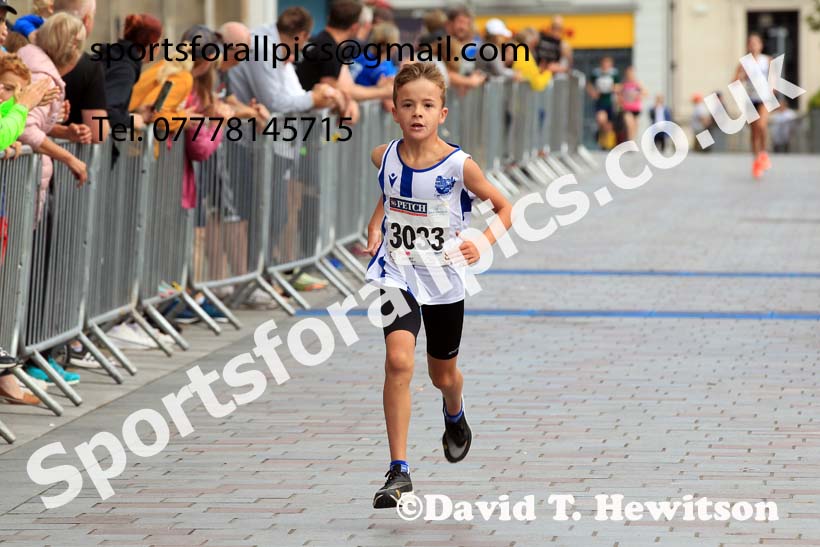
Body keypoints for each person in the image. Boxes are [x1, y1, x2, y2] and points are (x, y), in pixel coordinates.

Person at [364, 62, 512, 508]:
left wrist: (481, 243)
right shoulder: (383, 154)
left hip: (444, 279)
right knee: (397, 362)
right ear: (394, 111)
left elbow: (506, 208)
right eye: (408, 104)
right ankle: (398, 469)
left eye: (427, 105)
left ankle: (455, 410)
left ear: (442, 113)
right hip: (396, 272)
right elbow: (389, 194)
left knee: (441, 374)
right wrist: (376, 224)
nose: (417, 113)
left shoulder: (459, 165)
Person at [17, 12, 89, 219]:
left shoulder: (31, 60)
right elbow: (24, 127)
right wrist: (69, 158)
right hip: (20, 191)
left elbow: (26, 121)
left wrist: (66, 133)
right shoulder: (44, 79)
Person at [295, 0, 393, 120]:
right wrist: (384, 92)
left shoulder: (328, 44)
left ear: (329, 18)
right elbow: (336, 91)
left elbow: (347, 88)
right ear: (355, 27)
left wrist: (379, 90)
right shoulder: (330, 50)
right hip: (304, 122)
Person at [54, 0, 109, 143]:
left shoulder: (28, 50)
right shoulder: (90, 67)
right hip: (69, 160)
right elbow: (98, 133)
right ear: (86, 19)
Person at [98, 13, 162, 131]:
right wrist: (131, 120)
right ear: (152, 46)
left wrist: (135, 113)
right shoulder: (125, 70)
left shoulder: (115, 57)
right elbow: (106, 113)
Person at [0, 54, 58, 157]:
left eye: (22, 92)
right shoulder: (19, 109)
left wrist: (7, 141)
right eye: (8, 88)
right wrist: (22, 106)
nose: (15, 96)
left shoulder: (13, 110)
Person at [734, 33, 771, 178]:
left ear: (761, 45)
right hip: (750, 99)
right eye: (751, 43)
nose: (754, 45)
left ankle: (763, 153)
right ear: (748, 46)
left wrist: (772, 90)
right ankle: (756, 161)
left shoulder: (767, 60)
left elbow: (774, 78)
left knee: (762, 126)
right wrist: (742, 77)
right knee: (754, 132)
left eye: (756, 43)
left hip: (764, 98)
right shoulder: (744, 63)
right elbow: (734, 80)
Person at [587, 56, 618, 149]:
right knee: (601, 119)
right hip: (600, 101)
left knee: (609, 124)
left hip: (610, 101)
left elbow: (618, 86)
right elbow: (589, 84)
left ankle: (608, 144)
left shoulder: (614, 74)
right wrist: (593, 92)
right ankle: (600, 138)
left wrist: (614, 89)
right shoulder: (596, 73)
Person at [619, 65, 646, 142]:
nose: (630, 75)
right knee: (629, 125)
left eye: (631, 73)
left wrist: (638, 95)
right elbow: (618, 93)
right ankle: (629, 141)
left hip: (636, 108)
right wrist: (621, 100)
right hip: (627, 108)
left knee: (634, 127)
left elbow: (645, 92)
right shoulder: (624, 84)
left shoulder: (637, 84)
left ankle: (632, 141)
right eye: (628, 73)